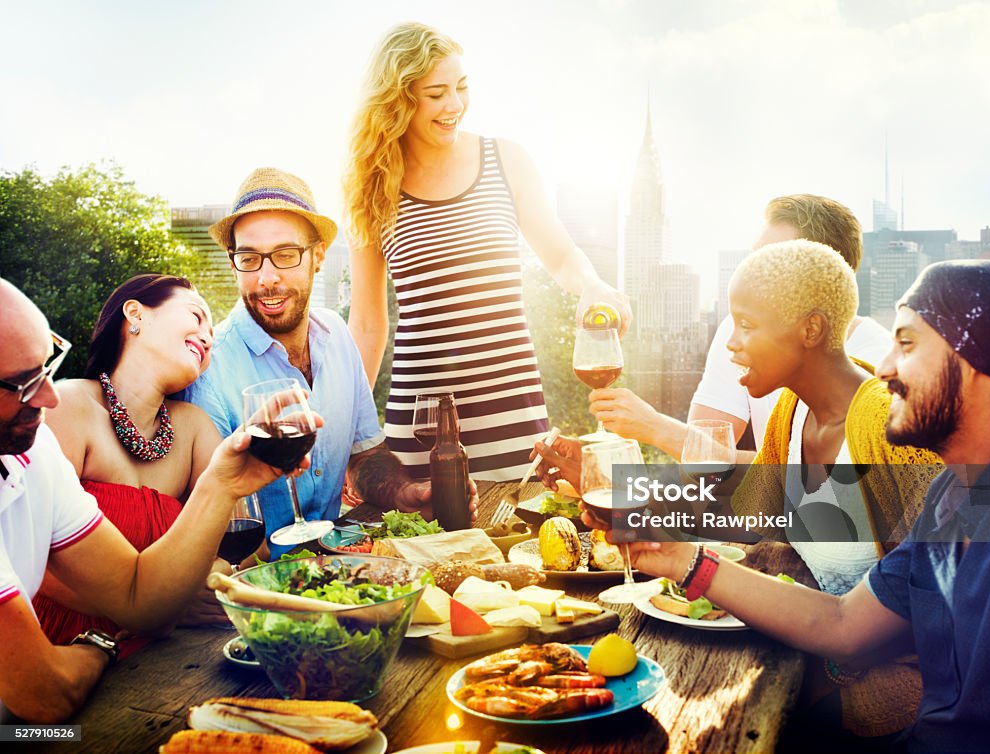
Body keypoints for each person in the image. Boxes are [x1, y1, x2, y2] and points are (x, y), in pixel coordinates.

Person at [605, 260, 990, 752]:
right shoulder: (952, 498)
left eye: (907, 344)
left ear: (979, 364)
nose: (884, 366)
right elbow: (843, 622)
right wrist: (676, 555)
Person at [540, 240, 943, 743]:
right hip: (811, 645)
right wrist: (609, 484)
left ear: (810, 330)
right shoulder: (793, 413)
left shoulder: (887, 423)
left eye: (747, 325)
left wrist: (826, 673)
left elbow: (934, 602)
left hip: (900, 690)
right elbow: (749, 505)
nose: (730, 342)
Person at [0, 277, 299, 722]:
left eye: (47, 368)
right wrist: (108, 640)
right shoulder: (66, 408)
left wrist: (223, 489)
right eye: (23, 383)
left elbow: (144, 591)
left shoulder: (34, 449)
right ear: (135, 315)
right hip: (56, 662)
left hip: (156, 649)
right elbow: (46, 692)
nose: (45, 395)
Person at [342, 21, 631, 481]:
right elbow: (368, 325)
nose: (454, 105)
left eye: (461, 87)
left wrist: (592, 285)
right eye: (436, 93)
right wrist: (345, 433)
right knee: (425, 552)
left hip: (512, 417)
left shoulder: (506, 160)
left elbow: (559, 255)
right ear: (398, 99)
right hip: (420, 433)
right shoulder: (371, 190)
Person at [182, 167, 472, 558]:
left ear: (318, 256)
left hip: (342, 568)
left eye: (285, 255)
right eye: (249, 258)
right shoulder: (207, 371)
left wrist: (407, 493)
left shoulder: (337, 335)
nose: (267, 278)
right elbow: (203, 522)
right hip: (256, 586)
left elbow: (365, 455)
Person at [588, 194, 892, 461]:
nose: (753, 273)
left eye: (772, 263)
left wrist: (658, 428)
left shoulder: (877, 374)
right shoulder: (741, 335)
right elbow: (706, 463)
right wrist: (604, 479)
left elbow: (816, 486)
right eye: (754, 259)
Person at [33, 274, 232, 647]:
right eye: (196, 316)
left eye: (212, 335)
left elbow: (236, 544)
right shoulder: (68, 406)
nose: (207, 337)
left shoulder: (195, 429)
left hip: (167, 653)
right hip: (64, 644)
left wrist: (200, 583)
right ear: (136, 314)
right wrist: (155, 605)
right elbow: (28, 556)